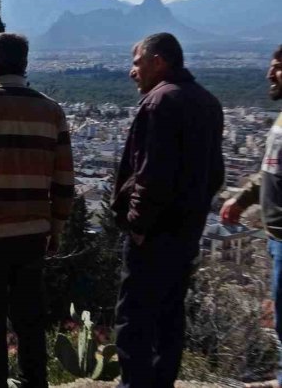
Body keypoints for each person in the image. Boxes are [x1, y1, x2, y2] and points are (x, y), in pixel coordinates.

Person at [0, 32, 74, 388]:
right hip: (32, 233)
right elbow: (64, 178)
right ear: (24, 65)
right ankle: (34, 382)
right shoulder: (52, 111)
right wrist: (57, 227)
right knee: (29, 320)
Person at [111, 32, 224, 388]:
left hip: (154, 234)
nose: (133, 71)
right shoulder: (208, 102)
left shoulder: (159, 103)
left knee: (135, 317)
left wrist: (137, 223)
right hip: (186, 232)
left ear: (158, 61)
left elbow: (150, 174)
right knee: (171, 316)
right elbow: (215, 174)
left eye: (137, 62)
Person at [221, 44, 282, 388]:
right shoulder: (281, 118)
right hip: (275, 235)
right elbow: (269, 171)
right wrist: (242, 200)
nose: (269, 74)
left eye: (277, 67)